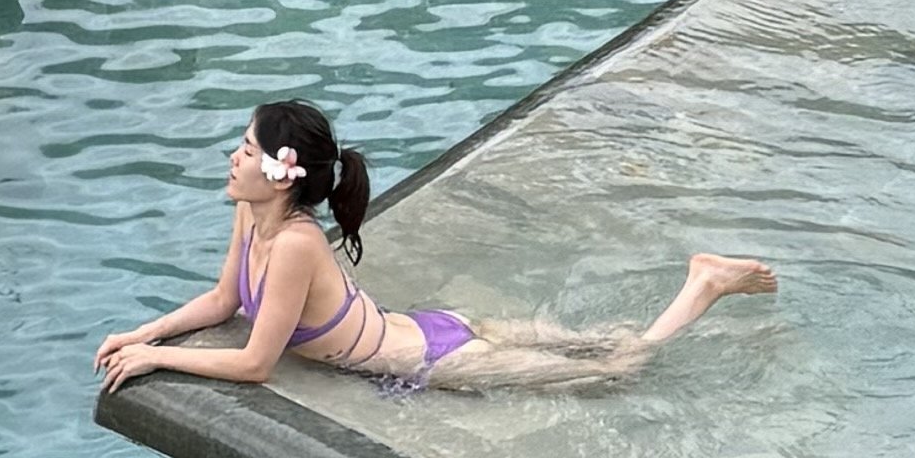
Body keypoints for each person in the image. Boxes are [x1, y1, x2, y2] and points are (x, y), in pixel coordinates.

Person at [94, 96, 775, 401]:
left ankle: (702, 286)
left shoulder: (297, 244)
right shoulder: (252, 217)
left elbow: (255, 364)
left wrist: (158, 358)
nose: (233, 159)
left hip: (433, 357)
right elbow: (223, 301)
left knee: (621, 367)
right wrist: (142, 331)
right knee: (597, 346)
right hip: (427, 327)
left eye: (246, 150)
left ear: (279, 174)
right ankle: (702, 282)